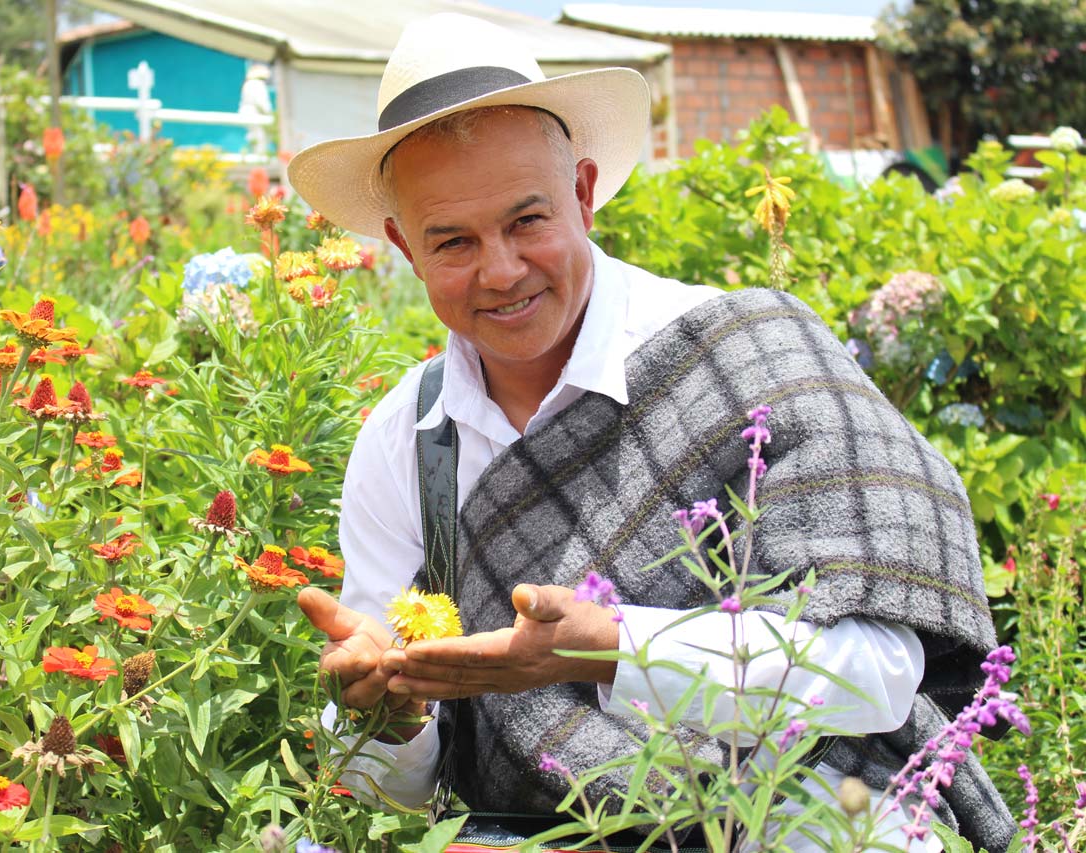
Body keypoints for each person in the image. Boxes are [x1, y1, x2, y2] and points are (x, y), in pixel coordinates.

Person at [288, 13, 1014, 852]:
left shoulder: (748, 355)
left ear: (585, 191)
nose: (500, 269)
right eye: (452, 240)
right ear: (403, 247)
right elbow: (400, 794)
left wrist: (610, 649)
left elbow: (880, 674)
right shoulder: (407, 444)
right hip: (535, 829)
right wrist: (390, 712)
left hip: (801, 808)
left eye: (528, 221)